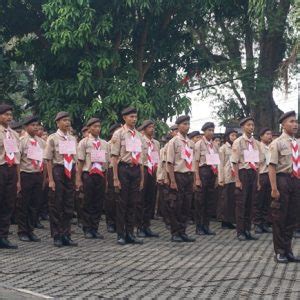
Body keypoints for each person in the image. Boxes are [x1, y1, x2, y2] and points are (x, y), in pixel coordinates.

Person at [269, 111, 300, 263]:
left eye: (296, 122)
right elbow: (272, 167)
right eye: (291, 122)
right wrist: (274, 188)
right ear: (283, 124)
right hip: (283, 180)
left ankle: (288, 250)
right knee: (280, 217)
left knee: (292, 217)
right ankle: (279, 252)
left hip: (296, 180)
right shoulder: (277, 143)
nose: (295, 124)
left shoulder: (298, 143)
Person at [110, 107, 145, 245]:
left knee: (133, 203)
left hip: (135, 169)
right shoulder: (119, 134)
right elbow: (114, 157)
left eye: (135, 117)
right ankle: (121, 234)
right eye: (131, 117)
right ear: (124, 118)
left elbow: (141, 158)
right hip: (123, 169)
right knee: (122, 203)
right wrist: (115, 178)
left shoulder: (139, 136)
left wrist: (142, 178)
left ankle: (130, 233)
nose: (134, 119)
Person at [44, 111, 78, 247]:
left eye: (68, 120)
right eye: (64, 120)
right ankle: (57, 235)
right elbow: (48, 160)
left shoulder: (72, 138)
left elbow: (74, 159)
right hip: (58, 170)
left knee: (68, 205)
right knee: (56, 204)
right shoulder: (52, 138)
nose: (67, 123)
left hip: (70, 170)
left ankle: (66, 234)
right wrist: (51, 179)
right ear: (57, 123)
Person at [76, 118, 109, 239]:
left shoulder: (105, 143)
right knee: (87, 201)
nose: (97, 129)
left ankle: (95, 228)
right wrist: (78, 179)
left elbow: (107, 162)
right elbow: (80, 161)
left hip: (100, 174)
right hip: (88, 174)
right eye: (94, 126)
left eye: (99, 126)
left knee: (98, 202)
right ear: (89, 128)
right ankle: (87, 228)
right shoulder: (84, 143)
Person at [166, 115, 195, 243]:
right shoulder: (174, 142)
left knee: (186, 205)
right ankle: (175, 232)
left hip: (188, 175)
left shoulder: (190, 143)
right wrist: (172, 180)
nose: (187, 127)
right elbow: (169, 163)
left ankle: (183, 231)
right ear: (178, 126)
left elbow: (192, 162)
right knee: (176, 204)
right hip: (178, 175)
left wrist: (194, 179)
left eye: (188, 124)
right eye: (184, 124)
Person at [231, 117, 260, 241]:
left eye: (252, 125)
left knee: (250, 204)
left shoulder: (255, 143)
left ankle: (248, 230)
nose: (251, 127)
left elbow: (258, 162)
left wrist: (258, 180)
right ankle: (240, 231)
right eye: (248, 125)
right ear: (243, 127)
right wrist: (237, 180)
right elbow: (235, 162)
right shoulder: (238, 142)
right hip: (243, 173)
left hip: (253, 173)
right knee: (241, 204)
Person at [17, 115, 44, 242]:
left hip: (38, 174)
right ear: (26, 127)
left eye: (37, 125)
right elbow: (17, 161)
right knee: (24, 204)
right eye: (32, 125)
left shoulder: (41, 142)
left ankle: (30, 230)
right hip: (26, 174)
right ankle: (22, 231)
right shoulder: (22, 141)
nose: (35, 128)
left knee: (35, 204)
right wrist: (18, 180)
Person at [0, 104, 20, 249]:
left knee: (8, 203)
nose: (9, 117)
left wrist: (18, 179)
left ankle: (3, 236)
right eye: (5, 114)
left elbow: (17, 156)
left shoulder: (14, 134)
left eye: (10, 115)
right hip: (1, 168)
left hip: (11, 169)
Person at [194, 122, 219, 235]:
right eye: (209, 130)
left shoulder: (214, 145)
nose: (211, 132)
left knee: (209, 201)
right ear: (204, 131)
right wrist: (197, 178)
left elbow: (217, 162)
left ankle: (206, 225)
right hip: (203, 171)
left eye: (212, 130)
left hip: (212, 172)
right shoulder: (199, 144)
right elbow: (196, 161)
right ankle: (199, 227)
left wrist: (217, 176)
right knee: (200, 201)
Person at [136, 120, 160, 238]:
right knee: (141, 200)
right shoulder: (140, 141)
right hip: (143, 169)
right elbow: (140, 159)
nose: (152, 129)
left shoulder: (156, 143)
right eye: (149, 127)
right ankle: (139, 227)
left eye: (153, 127)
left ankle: (147, 226)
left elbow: (157, 159)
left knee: (150, 200)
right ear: (144, 129)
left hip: (153, 170)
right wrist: (140, 177)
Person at [253, 127, 273, 234]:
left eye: (270, 134)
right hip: (261, 175)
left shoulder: (271, 147)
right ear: (261, 136)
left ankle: (264, 223)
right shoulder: (258, 147)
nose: (269, 136)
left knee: (267, 201)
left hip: (269, 175)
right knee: (258, 201)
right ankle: (257, 224)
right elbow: (257, 163)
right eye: (267, 134)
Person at [218, 128, 238, 229]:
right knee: (225, 200)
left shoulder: (236, 147)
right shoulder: (223, 148)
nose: (234, 137)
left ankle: (230, 220)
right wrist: (220, 178)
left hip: (234, 177)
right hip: (226, 176)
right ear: (227, 137)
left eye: (235, 135)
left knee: (232, 200)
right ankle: (224, 221)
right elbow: (220, 164)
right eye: (232, 135)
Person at [105, 123, 122, 233]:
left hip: (123, 170)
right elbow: (106, 161)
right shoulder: (108, 144)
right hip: (111, 170)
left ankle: (120, 222)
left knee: (121, 197)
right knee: (111, 197)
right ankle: (110, 222)